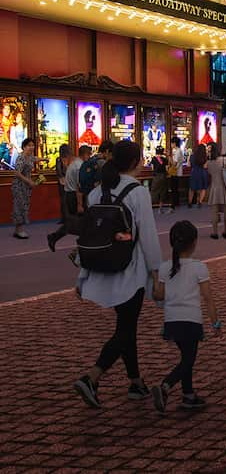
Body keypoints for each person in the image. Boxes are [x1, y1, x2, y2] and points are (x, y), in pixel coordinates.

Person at [71, 140, 163, 408]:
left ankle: (136, 383)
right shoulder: (137, 192)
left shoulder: (96, 192)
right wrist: (156, 273)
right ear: (134, 163)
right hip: (130, 270)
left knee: (126, 327)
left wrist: (81, 276)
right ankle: (92, 377)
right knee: (125, 330)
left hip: (101, 266)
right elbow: (147, 237)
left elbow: (88, 236)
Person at [151, 219, 220, 413]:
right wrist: (216, 323)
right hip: (191, 320)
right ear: (194, 243)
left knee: (185, 357)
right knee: (188, 360)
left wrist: (155, 279)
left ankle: (189, 395)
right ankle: (166, 385)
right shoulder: (199, 267)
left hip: (171, 320)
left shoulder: (165, 267)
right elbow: (208, 299)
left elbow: (159, 295)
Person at [49, 144, 91, 251]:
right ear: (85, 154)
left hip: (70, 195)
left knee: (75, 222)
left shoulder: (75, 164)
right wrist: (80, 204)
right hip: (74, 196)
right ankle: (80, 248)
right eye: (89, 155)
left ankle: (55, 237)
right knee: (81, 223)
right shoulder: (79, 166)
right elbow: (79, 187)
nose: (89, 157)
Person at [10, 137, 38, 239]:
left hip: (26, 187)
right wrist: (29, 181)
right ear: (24, 147)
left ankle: (18, 230)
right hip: (19, 186)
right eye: (29, 145)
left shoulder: (29, 157)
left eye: (33, 145)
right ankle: (19, 231)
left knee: (24, 206)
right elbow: (17, 173)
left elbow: (35, 159)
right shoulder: (20, 157)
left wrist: (44, 159)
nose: (31, 147)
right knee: (19, 206)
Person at [206, 144, 226, 241]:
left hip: (214, 188)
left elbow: (209, 173)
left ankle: (214, 232)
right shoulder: (224, 160)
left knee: (214, 212)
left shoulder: (209, 162)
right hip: (225, 187)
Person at [188, 140, 208, 208]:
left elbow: (188, 165)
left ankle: (190, 202)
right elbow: (205, 166)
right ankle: (199, 201)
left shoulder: (193, 156)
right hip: (202, 173)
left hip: (194, 172)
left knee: (192, 188)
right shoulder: (205, 156)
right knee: (202, 188)